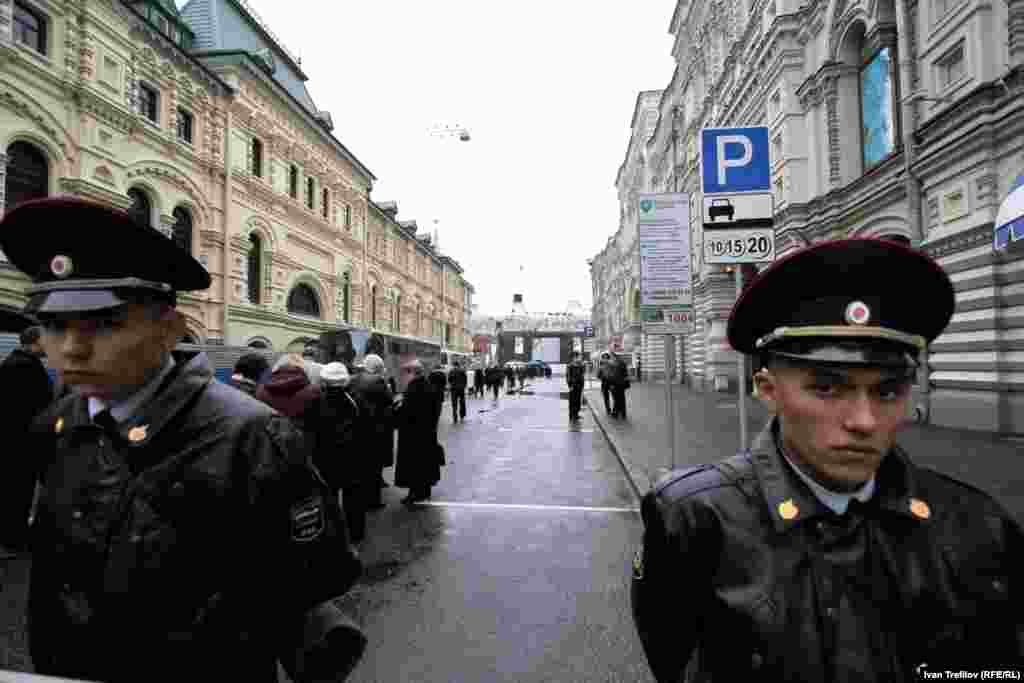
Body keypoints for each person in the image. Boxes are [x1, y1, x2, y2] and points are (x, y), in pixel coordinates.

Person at [0, 197, 364, 683]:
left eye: (105, 324)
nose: (72, 347)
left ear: (169, 330)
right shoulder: (60, 424)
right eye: (53, 324)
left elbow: (316, 581)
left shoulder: (250, 435)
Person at [631, 238, 1024, 681]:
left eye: (887, 391)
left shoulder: (978, 528)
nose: (863, 420)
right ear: (768, 390)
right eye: (827, 388)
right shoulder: (696, 520)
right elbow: (674, 661)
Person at [0, 312, 51, 557]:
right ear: (35, 341)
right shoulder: (22, 366)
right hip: (18, 443)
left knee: (16, 489)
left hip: (17, 441)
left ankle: (13, 535)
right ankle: (12, 540)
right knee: (16, 490)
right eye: (46, 340)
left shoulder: (19, 363)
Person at [315, 362, 369, 543]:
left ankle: (330, 534)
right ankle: (356, 533)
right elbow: (365, 427)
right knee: (354, 497)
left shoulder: (317, 401)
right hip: (352, 457)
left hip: (325, 457)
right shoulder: (355, 400)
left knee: (328, 497)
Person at [349, 354, 395, 506]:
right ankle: (373, 501)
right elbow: (389, 400)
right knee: (374, 467)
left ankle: (361, 497)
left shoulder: (354, 379)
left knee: (362, 465)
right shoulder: (379, 381)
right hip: (376, 428)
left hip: (357, 428)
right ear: (378, 368)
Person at [394, 359, 442, 504]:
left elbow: (405, 412)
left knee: (413, 465)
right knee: (425, 463)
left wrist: (397, 408)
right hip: (427, 432)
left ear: (414, 373)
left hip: (412, 434)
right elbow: (436, 410)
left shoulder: (413, 389)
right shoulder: (430, 387)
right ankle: (425, 491)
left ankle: (414, 493)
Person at [608, 352, 630, 419]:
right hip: (622, 384)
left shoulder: (614, 364)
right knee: (622, 399)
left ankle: (615, 413)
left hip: (616, 384)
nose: (611, 358)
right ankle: (623, 414)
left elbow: (613, 376)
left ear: (614, 356)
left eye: (612, 356)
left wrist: (611, 384)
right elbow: (625, 374)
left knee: (617, 399)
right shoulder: (622, 363)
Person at [566, 351, 585, 422]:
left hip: (579, 385)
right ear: (573, 358)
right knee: (572, 401)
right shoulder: (570, 366)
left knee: (578, 400)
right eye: (576, 357)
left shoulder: (580, 365)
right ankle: (571, 415)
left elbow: (583, 373)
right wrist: (570, 385)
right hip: (573, 385)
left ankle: (576, 414)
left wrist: (581, 364)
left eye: (578, 357)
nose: (578, 358)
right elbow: (568, 376)